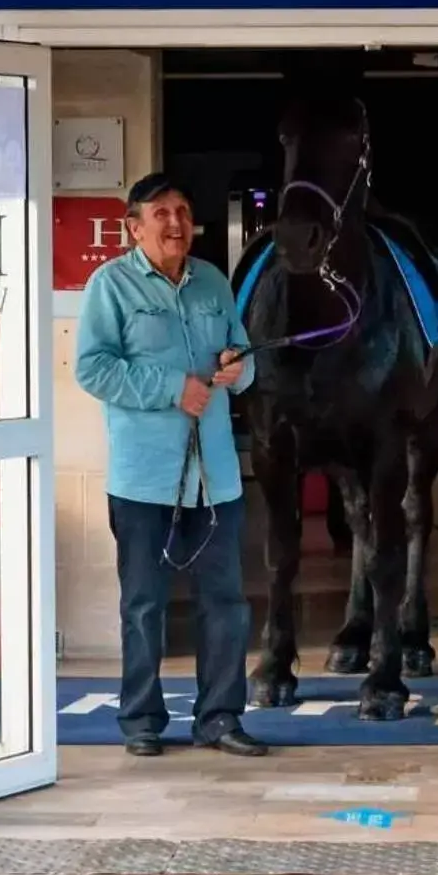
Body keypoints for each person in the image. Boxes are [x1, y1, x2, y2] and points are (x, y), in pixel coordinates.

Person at [73, 171, 266, 759]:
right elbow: (91, 368)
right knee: (144, 605)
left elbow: (245, 359)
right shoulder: (110, 286)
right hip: (145, 481)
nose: (176, 223)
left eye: (182, 211)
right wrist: (171, 387)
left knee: (226, 605)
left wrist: (238, 367)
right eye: (161, 213)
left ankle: (221, 718)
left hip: (216, 481)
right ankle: (141, 722)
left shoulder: (212, 282)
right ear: (133, 227)